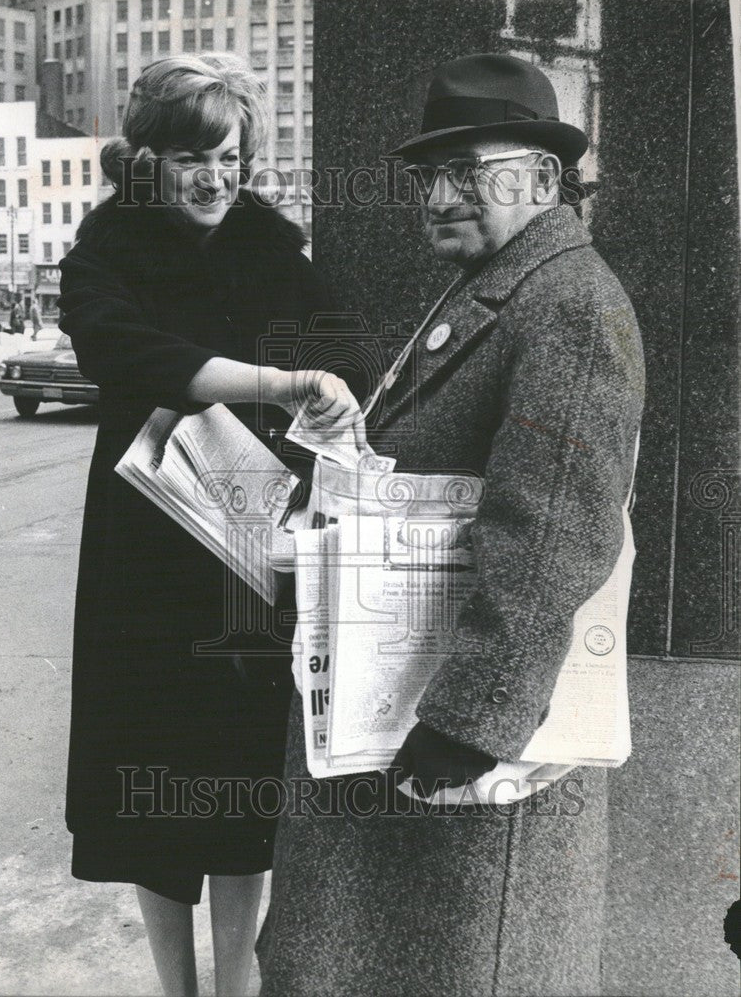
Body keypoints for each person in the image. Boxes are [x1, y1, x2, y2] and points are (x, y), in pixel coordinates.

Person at [257, 54, 645, 996]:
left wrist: (469, 725)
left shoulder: (569, 306)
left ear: (544, 178)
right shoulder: (506, 280)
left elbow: (550, 536)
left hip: (462, 758)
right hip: (407, 729)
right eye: (427, 175)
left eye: (470, 171)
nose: (438, 196)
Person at [58, 53, 364, 997]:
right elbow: (137, 356)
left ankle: (233, 987)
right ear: (145, 160)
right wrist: (280, 382)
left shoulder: (266, 243)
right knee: (149, 786)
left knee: (237, 787)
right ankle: (174, 988)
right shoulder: (105, 251)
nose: (216, 177)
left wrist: (336, 394)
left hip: (247, 549)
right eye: (194, 155)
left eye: (231, 156)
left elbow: (343, 342)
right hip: (145, 557)